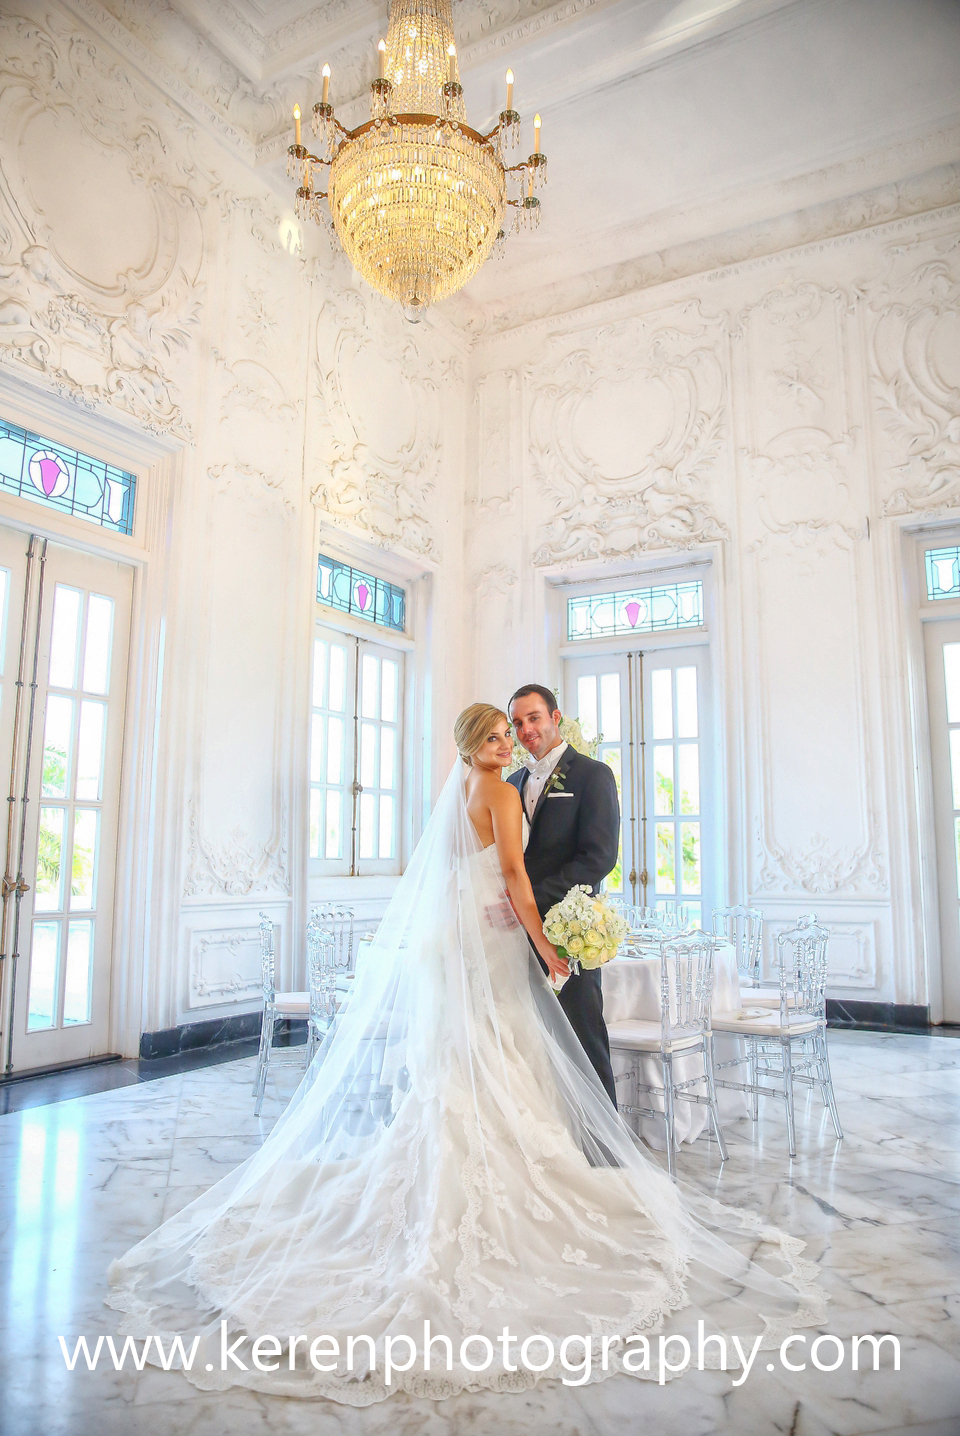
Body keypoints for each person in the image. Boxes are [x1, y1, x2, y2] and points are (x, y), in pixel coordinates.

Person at [107, 703, 824, 1405]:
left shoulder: (490, 790)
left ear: (551, 723)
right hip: (505, 940)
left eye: (515, 729)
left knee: (480, 1058)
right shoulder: (505, 792)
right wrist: (547, 948)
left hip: (472, 943)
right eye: (498, 733)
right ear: (477, 745)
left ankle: (483, 1165)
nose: (511, 740)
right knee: (508, 1053)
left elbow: (570, 859)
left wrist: (534, 927)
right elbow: (511, 878)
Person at [507, 684, 620, 1105]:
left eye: (534, 718)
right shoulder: (512, 781)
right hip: (516, 933)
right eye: (517, 722)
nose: (525, 730)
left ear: (555, 718)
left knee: (583, 1035)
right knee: (530, 1039)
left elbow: (598, 858)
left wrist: (530, 901)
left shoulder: (592, 775)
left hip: (567, 930)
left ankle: (605, 1147)